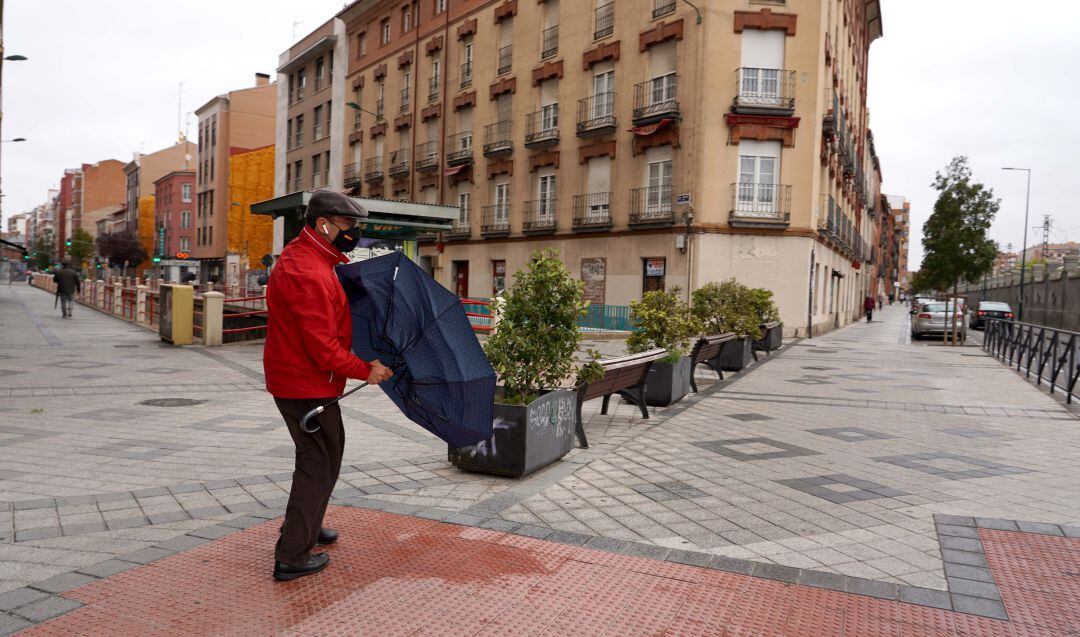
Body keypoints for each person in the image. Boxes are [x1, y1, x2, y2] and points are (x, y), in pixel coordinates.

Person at [263, 191, 394, 582]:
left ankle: (306, 524)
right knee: (319, 464)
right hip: (306, 384)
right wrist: (365, 370)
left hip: (301, 379)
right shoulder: (309, 271)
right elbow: (322, 349)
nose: (354, 232)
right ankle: (292, 556)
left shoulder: (309, 257)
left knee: (319, 458)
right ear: (323, 224)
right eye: (348, 224)